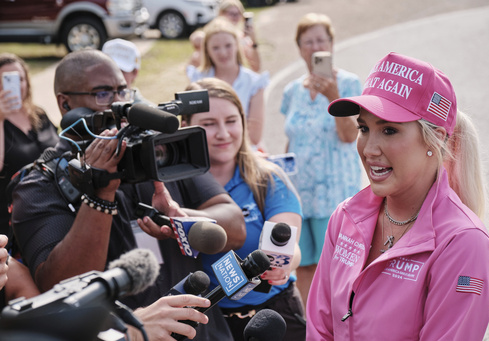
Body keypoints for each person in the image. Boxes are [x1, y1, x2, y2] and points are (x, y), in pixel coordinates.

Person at [11, 49, 245, 341]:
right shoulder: (40, 183)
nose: (119, 102)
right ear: (66, 103)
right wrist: (100, 193)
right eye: (103, 94)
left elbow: (235, 226)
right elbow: (61, 286)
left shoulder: (159, 151)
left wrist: (181, 219)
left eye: (123, 90)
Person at [307, 52, 489, 340]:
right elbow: (319, 329)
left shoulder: (464, 245)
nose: (369, 149)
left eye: (389, 130)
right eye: (364, 128)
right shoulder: (345, 218)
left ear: (435, 139)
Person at [182, 77, 306, 341]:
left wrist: (283, 265)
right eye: (208, 124)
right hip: (206, 324)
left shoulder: (268, 178)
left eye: (230, 121)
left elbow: (290, 244)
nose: (224, 133)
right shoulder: (170, 187)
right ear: (185, 127)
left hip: (273, 317)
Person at [280, 13, 362, 306]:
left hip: (335, 195)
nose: (315, 47)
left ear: (331, 44)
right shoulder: (291, 91)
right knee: (302, 265)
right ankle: (310, 329)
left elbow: (350, 136)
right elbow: (292, 138)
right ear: (299, 47)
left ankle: (342, 325)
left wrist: (333, 96)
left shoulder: (350, 84)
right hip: (300, 195)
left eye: (321, 40)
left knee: (338, 268)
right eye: (308, 41)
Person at [0, 53, 59, 243]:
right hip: (16, 218)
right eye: (5, 80)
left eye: (19, 79)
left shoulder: (39, 114)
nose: (14, 85)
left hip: (55, 206)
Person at [187, 17, 269, 147]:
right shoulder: (198, 79)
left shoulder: (254, 82)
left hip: (245, 152)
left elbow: (254, 136)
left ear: (237, 45)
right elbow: (192, 124)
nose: (223, 53)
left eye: (228, 45)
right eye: (215, 48)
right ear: (207, 50)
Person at [102, 38, 154, 106]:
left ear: (135, 73)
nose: (113, 76)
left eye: (120, 71)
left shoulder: (150, 112)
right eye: (108, 70)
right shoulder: (92, 106)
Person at [218, 0, 261, 73]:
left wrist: (253, 41)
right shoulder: (214, 36)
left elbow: (256, 67)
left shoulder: (241, 37)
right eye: (232, 13)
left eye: (239, 13)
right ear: (221, 14)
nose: (236, 17)